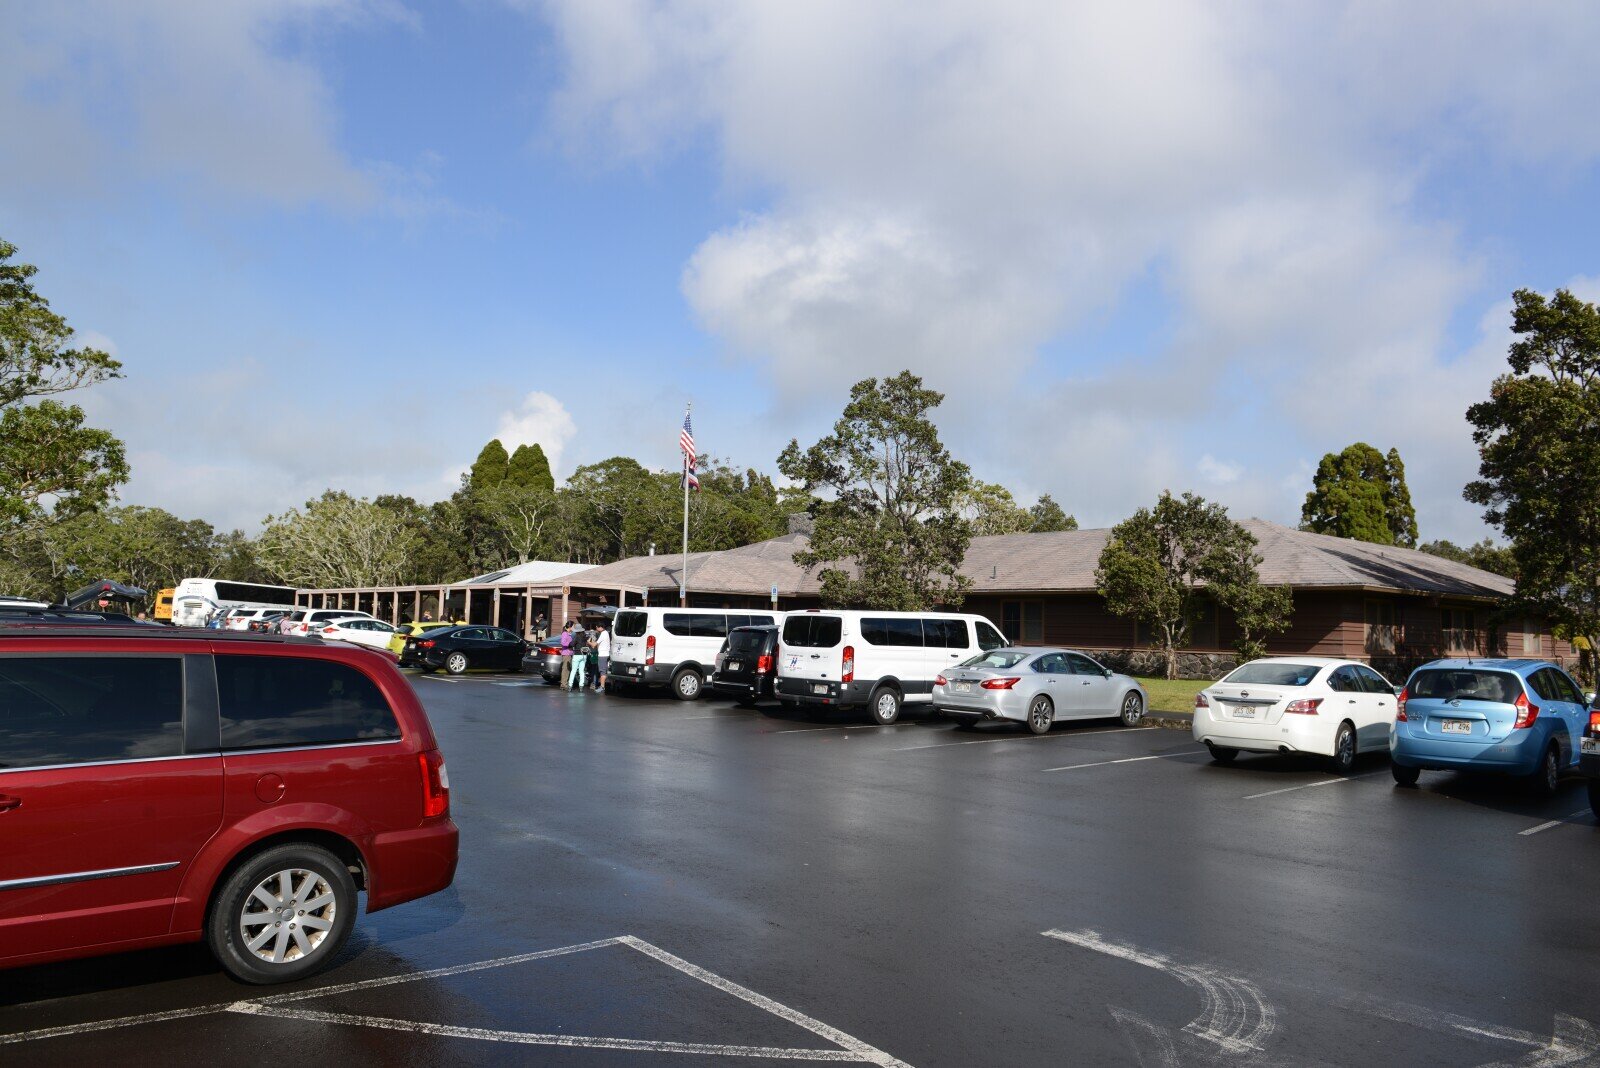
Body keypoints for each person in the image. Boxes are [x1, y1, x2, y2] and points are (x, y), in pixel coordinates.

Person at [568, 624, 590, 690]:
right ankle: (581, 686)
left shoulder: (576, 636)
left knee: (573, 670)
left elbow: (572, 644)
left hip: (577, 654)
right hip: (584, 655)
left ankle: (570, 685)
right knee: (582, 671)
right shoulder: (585, 636)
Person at [593, 623, 610, 692]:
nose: (596, 629)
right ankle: (602, 686)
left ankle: (602, 687)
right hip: (606, 654)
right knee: (604, 670)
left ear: (599, 627)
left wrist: (589, 642)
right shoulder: (606, 633)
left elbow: (594, 645)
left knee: (602, 671)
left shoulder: (603, 634)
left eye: (596, 627)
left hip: (602, 655)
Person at [558, 622, 574, 688]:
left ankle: (565, 683)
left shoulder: (568, 634)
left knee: (567, 669)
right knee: (565, 669)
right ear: (570, 627)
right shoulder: (565, 633)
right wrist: (570, 644)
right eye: (573, 626)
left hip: (569, 653)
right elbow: (563, 642)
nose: (574, 628)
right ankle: (563, 684)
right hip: (566, 653)